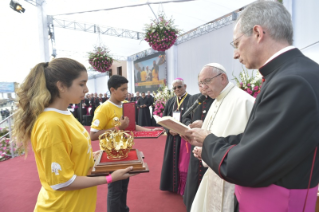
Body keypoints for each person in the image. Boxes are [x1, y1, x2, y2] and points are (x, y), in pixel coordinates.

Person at [185, 2, 319, 211]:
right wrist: (210, 139)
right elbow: (258, 139)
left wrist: (209, 142)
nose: (235, 55)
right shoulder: (292, 73)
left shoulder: (291, 81)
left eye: (236, 43)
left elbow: (246, 164)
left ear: (257, 32)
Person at [12, 58, 135, 212]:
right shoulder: (50, 124)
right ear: (61, 86)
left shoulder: (66, 115)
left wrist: (93, 155)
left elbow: (72, 154)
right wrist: (110, 178)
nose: (87, 89)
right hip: (62, 207)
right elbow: (61, 182)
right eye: (81, 84)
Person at [184, 64, 254, 212]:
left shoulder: (243, 101)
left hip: (231, 180)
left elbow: (245, 142)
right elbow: (218, 132)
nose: (204, 87)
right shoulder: (217, 100)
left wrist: (208, 149)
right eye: (201, 83)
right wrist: (202, 146)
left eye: (207, 81)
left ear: (222, 78)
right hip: (213, 173)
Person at [90, 75, 161, 212]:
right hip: (111, 156)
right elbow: (93, 135)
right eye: (123, 89)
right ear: (112, 90)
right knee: (115, 189)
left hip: (126, 153)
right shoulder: (103, 108)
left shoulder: (126, 104)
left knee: (123, 187)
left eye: (127, 89)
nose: (126, 92)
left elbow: (132, 125)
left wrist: (151, 131)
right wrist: (118, 128)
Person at [182, 77, 214, 212]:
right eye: (200, 84)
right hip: (195, 142)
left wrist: (204, 124)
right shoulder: (194, 98)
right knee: (194, 173)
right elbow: (185, 116)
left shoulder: (217, 99)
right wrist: (187, 125)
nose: (203, 87)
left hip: (210, 144)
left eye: (205, 83)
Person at [160, 78, 192, 194]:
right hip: (172, 137)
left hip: (184, 137)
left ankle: (183, 187)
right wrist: (168, 130)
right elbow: (163, 119)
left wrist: (182, 129)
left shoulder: (191, 99)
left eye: (179, 86)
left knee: (183, 163)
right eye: (174, 88)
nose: (177, 89)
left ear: (185, 86)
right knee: (171, 160)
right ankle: (171, 186)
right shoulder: (170, 101)